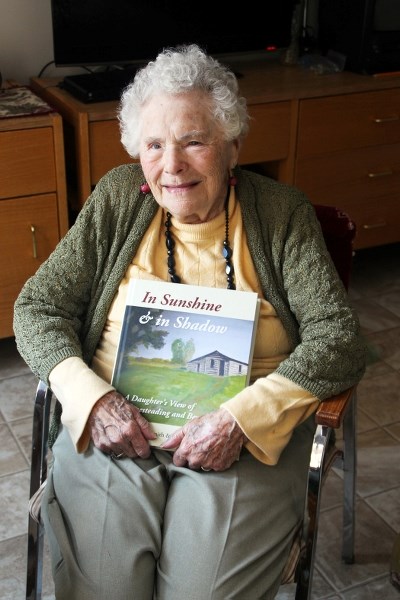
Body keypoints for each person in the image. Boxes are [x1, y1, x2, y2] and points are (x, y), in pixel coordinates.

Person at [14, 44, 365, 600]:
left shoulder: (281, 213)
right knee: (104, 587)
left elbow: (338, 339)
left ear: (232, 147)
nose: (170, 166)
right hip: (117, 429)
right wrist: (94, 400)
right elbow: (38, 308)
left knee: (203, 590)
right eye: (153, 145)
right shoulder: (116, 200)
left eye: (193, 141)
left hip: (243, 441)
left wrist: (240, 419)